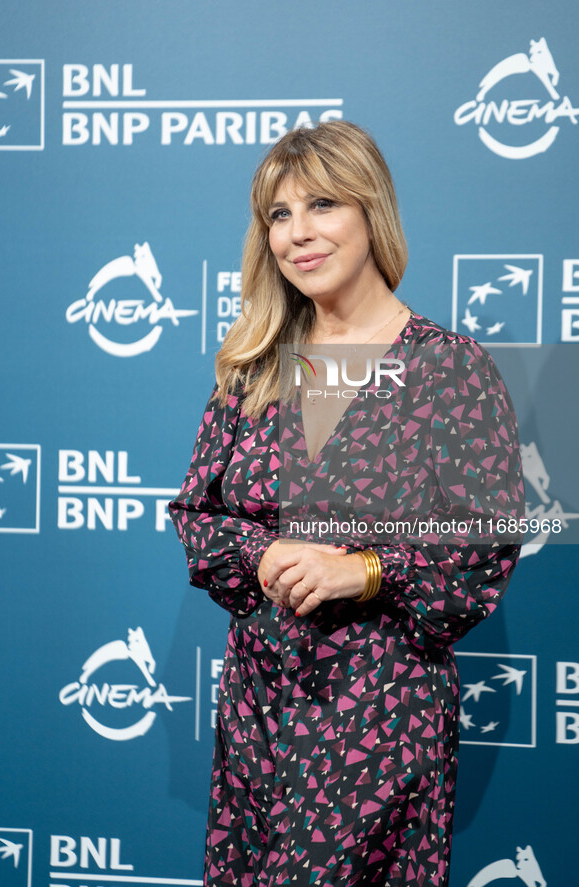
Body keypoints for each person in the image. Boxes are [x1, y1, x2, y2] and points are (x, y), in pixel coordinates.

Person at [169, 121, 524, 887]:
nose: (298, 233)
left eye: (321, 204)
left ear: (370, 211)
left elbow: (482, 550)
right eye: (278, 214)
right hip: (259, 711)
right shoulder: (256, 368)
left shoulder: (448, 369)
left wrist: (361, 569)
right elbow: (198, 517)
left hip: (380, 714)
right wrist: (260, 553)